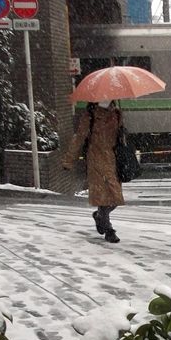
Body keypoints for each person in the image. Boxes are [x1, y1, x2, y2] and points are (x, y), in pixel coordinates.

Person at [61, 100, 124, 243]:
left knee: (115, 198)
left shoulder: (117, 113)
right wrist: (69, 160)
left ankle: (100, 216)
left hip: (113, 160)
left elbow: (120, 137)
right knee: (103, 197)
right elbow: (79, 138)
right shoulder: (90, 115)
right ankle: (109, 230)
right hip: (96, 159)